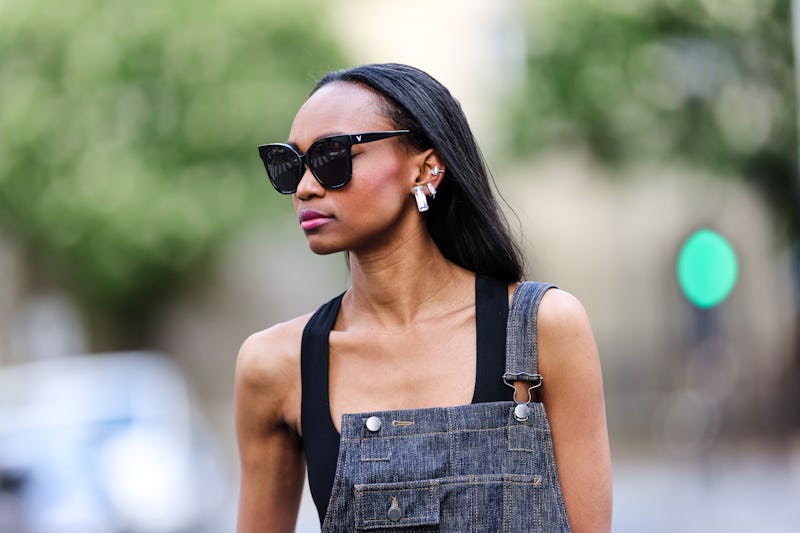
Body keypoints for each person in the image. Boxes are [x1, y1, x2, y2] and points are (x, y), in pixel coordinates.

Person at [235, 63, 612, 532]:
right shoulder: (275, 364)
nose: (306, 187)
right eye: (290, 164)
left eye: (332, 157)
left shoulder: (541, 329)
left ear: (426, 168)